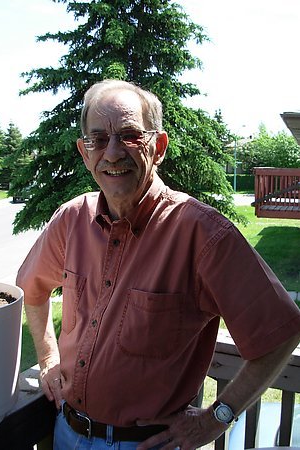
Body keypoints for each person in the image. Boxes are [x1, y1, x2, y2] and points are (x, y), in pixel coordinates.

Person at [17, 79, 300, 450]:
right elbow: (31, 289)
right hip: (65, 432)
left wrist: (218, 418)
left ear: (159, 146)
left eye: (131, 136)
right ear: (85, 153)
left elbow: (279, 332)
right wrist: (49, 355)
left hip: (145, 444)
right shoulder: (71, 220)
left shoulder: (202, 233)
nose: (113, 153)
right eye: (98, 140)